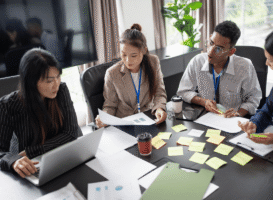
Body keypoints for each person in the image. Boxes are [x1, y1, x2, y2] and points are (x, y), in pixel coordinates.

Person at [0, 48, 80, 178]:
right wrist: (14, 160)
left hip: (59, 160)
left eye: (58, 77)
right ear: (31, 82)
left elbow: (71, 133)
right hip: (30, 168)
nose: (56, 85)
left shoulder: (61, 90)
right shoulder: (7, 105)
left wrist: (31, 151)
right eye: (49, 81)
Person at [177, 21, 262, 118]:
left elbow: (254, 98)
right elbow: (183, 91)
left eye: (219, 48)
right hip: (205, 117)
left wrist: (238, 113)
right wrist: (204, 102)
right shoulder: (197, 61)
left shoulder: (245, 66)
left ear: (231, 52)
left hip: (232, 119)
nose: (211, 51)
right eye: (211, 43)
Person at [95, 24, 167, 128]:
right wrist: (104, 118)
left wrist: (159, 108)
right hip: (124, 123)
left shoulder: (153, 62)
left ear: (144, 51)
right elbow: (110, 105)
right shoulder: (112, 73)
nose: (128, 60)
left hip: (149, 118)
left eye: (133, 55)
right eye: (124, 54)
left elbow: (159, 92)